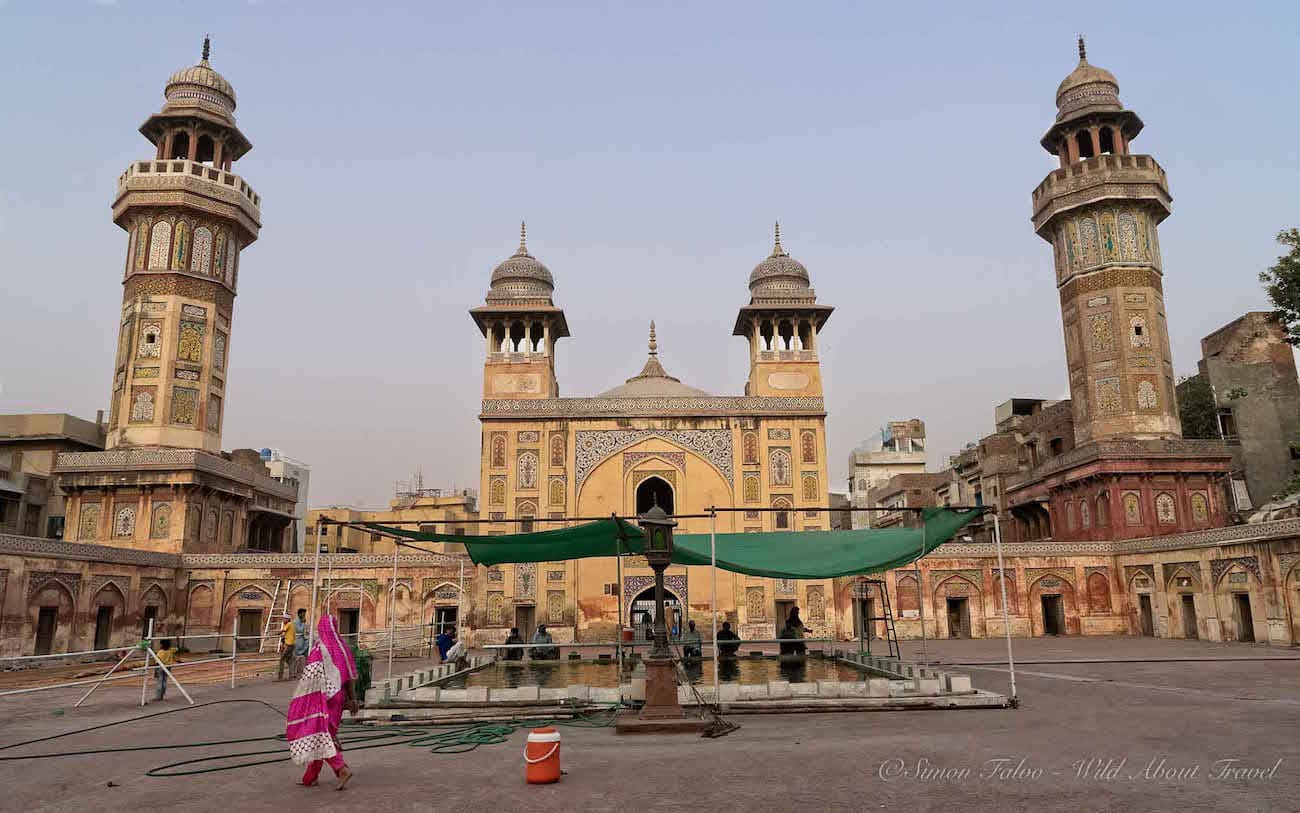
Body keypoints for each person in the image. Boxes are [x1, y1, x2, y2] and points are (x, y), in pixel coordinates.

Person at [287, 615, 358, 790]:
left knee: (321, 735)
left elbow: (309, 680)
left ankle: (341, 769)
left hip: (322, 699)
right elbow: (349, 677)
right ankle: (310, 777)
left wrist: (301, 701)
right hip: (339, 698)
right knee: (320, 733)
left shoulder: (320, 649)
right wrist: (352, 699)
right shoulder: (343, 649)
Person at [277, 614, 297, 681]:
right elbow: (288, 634)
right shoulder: (291, 625)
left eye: (284, 619)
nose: (283, 620)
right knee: (289, 660)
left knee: (282, 659)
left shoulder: (288, 624)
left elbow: (283, 631)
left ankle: (280, 677)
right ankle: (292, 675)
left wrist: (276, 633)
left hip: (289, 644)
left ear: (288, 619)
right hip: (291, 644)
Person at [292, 608, 310, 677]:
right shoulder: (296, 622)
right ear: (300, 614)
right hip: (298, 640)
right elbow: (299, 630)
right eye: (303, 614)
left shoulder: (300, 621)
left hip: (302, 639)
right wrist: (303, 623)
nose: (304, 615)